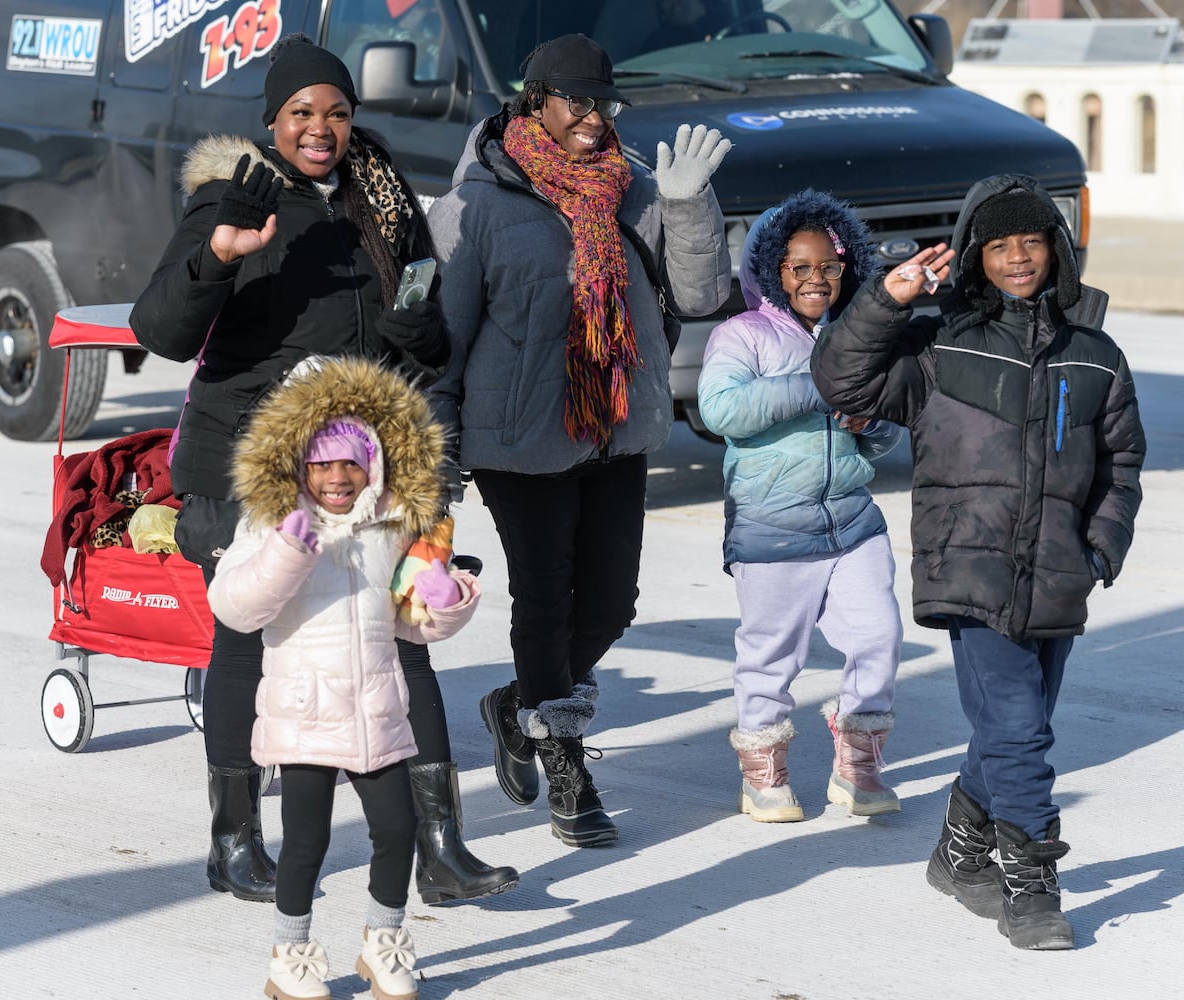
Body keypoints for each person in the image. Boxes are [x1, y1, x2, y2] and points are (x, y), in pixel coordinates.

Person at [128, 32, 516, 906]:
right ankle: (234, 842)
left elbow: (426, 339)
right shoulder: (238, 197)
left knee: (400, 634)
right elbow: (162, 331)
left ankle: (440, 849)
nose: (321, 127)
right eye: (302, 112)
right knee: (242, 640)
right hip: (247, 463)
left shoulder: (380, 199)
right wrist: (219, 254)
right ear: (272, 121)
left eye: (337, 112)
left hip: (357, 464)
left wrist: (416, 323)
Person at [811, 173, 1145, 950]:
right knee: (1022, 732)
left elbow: (1121, 462)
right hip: (970, 568)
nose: (1018, 257)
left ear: (1056, 249)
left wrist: (1100, 545)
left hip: (1058, 569)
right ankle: (1030, 883)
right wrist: (887, 300)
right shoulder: (938, 347)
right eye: (1000, 246)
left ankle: (959, 850)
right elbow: (842, 379)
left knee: (1012, 729)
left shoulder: (1095, 357)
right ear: (975, 258)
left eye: (1031, 240)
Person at [427, 33, 732, 847]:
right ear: (535, 101)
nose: (596, 119)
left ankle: (516, 704)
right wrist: (438, 459)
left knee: (610, 602)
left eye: (606, 104)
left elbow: (702, 295)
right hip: (519, 435)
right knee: (546, 591)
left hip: (616, 426)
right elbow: (441, 342)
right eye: (578, 102)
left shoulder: (637, 192)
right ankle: (565, 760)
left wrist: (687, 206)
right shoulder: (477, 205)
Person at [206, 356, 480, 1000]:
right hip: (305, 712)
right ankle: (291, 954)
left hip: (377, 708)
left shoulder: (389, 525)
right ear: (298, 464)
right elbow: (237, 606)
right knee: (306, 842)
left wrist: (444, 600)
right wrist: (286, 553)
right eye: (322, 465)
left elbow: (411, 623)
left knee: (398, 829)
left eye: (350, 463)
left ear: (373, 463)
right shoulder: (270, 522)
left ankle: (383, 943)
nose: (336, 478)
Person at [696, 189, 905, 823]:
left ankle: (858, 767)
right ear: (771, 271)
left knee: (879, 635)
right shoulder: (744, 335)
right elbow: (722, 409)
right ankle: (764, 773)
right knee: (772, 652)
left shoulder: (857, 335)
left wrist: (868, 418)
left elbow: (891, 426)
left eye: (829, 266)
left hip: (851, 519)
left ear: (848, 270)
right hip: (773, 525)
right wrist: (819, 384)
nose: (816, 278)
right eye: (800, 267)